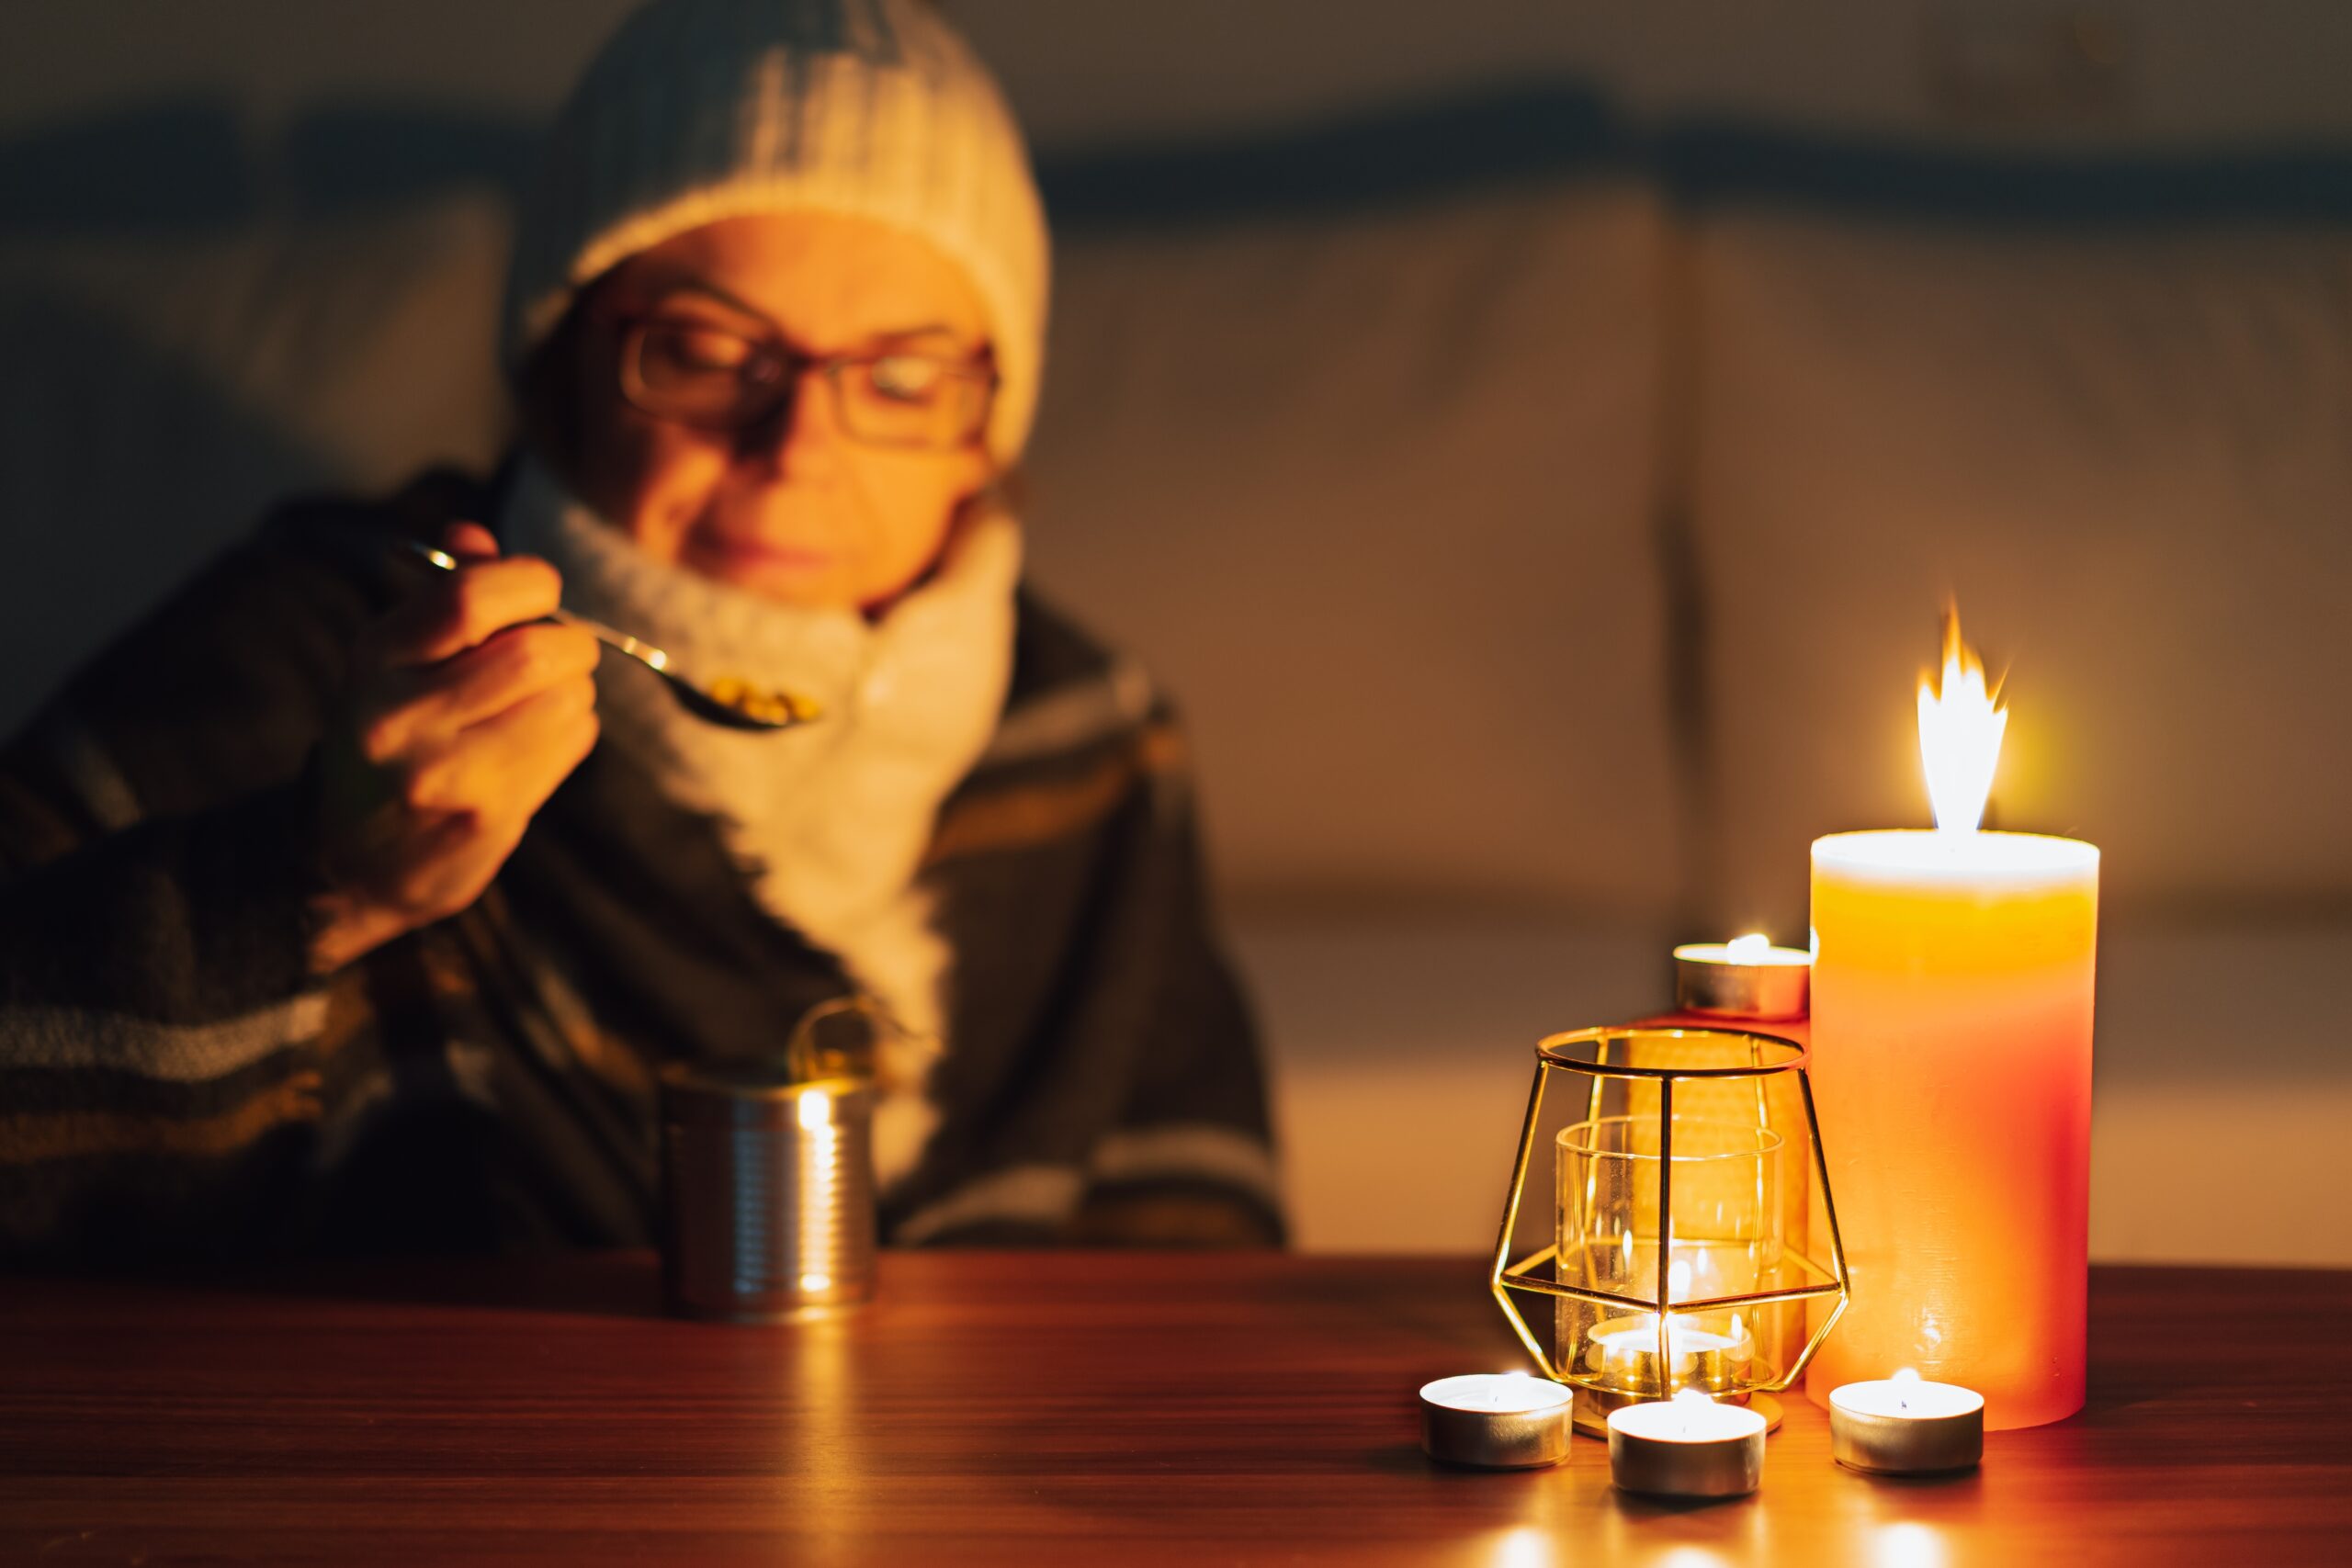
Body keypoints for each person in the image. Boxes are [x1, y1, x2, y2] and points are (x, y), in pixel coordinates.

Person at [0, 0, 1282, 1259]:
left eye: (900, 377)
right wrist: (316, 882)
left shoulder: (1092, 741)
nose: (797, 450)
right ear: (565, 369)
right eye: (711, 352)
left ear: (981, 435)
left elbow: (1201, 1242)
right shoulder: (324, 651)